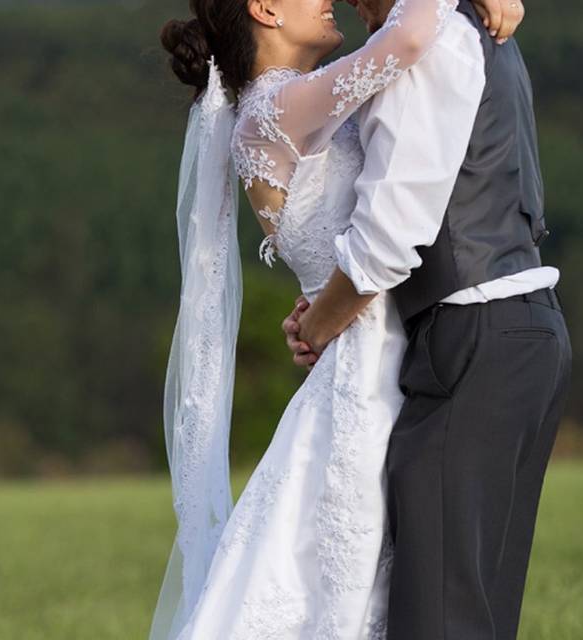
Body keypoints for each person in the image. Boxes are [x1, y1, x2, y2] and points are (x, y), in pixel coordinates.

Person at [150, 0, 535, 638]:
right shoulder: (277, 105)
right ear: (265, 9)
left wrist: (316, 312)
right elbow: (411, 37)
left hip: (372, 348)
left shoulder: (287, 107)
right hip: (369, 369)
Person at [282, 0, 573, 637]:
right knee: (477, 608)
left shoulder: (423, 42)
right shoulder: (473, 25)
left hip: (474, 335)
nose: (353, 6)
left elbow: (389, 237)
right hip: (528, 328)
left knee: (439, 614)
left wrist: (317, 324)